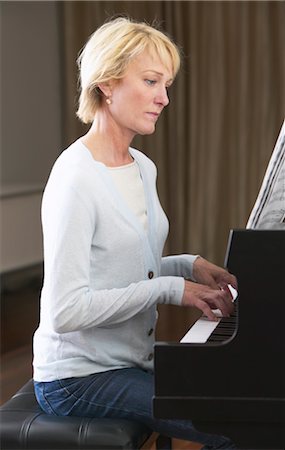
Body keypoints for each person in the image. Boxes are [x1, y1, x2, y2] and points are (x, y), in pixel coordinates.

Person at [33, 17, 238, 449]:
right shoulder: (75, 178)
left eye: (166, 85)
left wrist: (189, 266)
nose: (164, 98)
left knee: (245, 401)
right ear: (107, 84)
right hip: (79, 379)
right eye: (150, 81)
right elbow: (65, 311)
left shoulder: (142, 166)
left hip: (132, 361)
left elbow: (122, 268)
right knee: (231, 423)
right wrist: (170, 288)